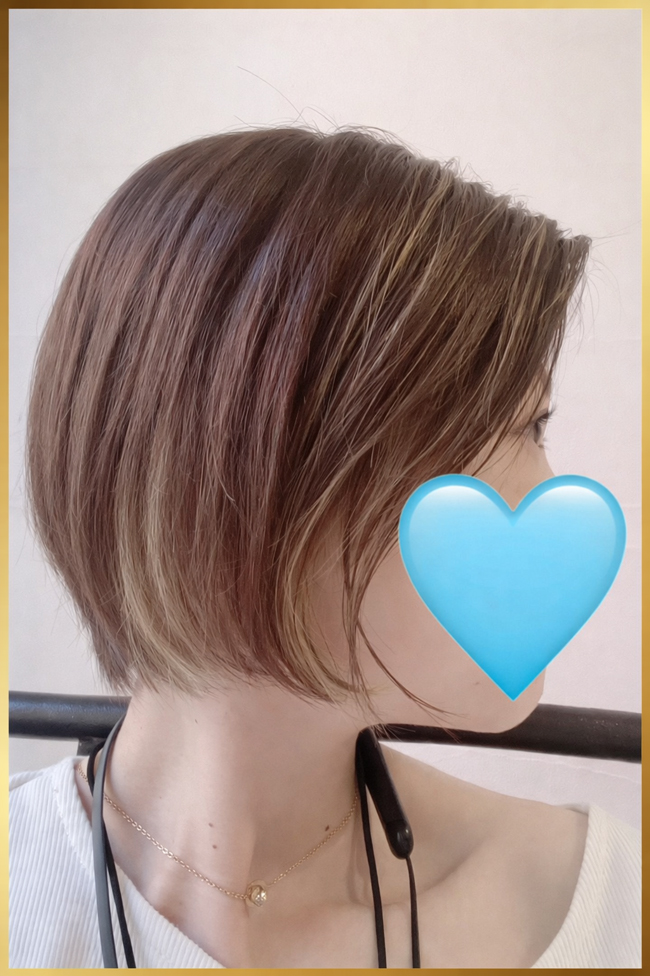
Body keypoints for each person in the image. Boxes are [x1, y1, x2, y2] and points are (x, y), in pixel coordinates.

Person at [10, 125, 640, 968]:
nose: (555, 498)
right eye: (522, 428)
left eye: (538, 424)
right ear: (246, 479)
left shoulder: (609, 905)